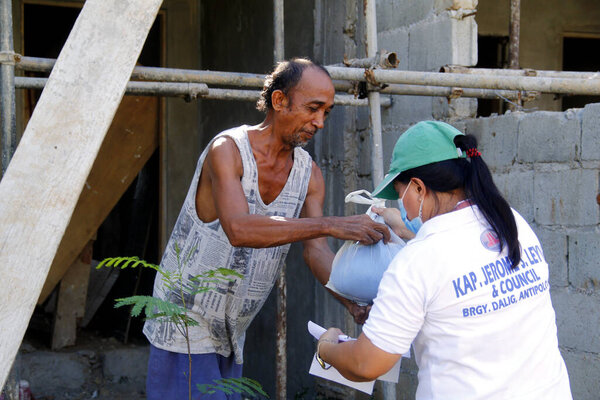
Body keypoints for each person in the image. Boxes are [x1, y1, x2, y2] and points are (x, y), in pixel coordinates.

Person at [142, 57, 390, 399]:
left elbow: (316, 250)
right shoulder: (227, 150)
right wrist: (332, 224)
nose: (319, 122)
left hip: (232, 330)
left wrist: (351, 301)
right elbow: (239, 229)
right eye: (313, 108)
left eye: (326, 112)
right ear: (279, 101)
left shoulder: (309, 174)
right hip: (185, 320)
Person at [315, 121, 572, 399]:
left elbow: (365, 364)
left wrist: (327, 347)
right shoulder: (511, 223)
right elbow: (456, 266)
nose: (402, 207)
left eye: (401, 196)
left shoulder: (417, 261)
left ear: (418, 188)